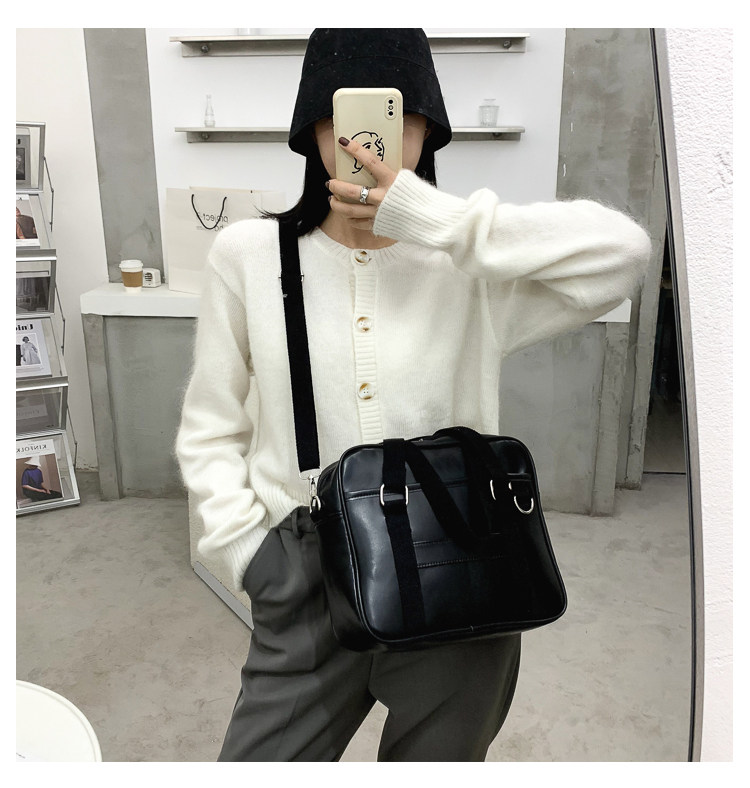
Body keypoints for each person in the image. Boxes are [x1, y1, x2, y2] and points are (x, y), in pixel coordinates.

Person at [175, 29, 651, 762]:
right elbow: (211, 424)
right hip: (302, 575)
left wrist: (438, 220)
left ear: (427, 131)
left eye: (399, 117)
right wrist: (246, 554)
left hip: (458, 567)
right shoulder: (248, 256)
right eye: (341, 118)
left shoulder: (468, 265)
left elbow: (623, 254)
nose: (368, 141)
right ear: (312, 132)